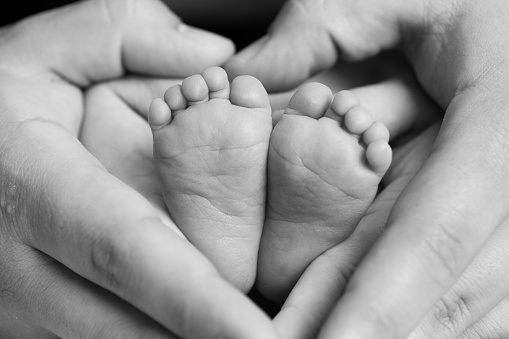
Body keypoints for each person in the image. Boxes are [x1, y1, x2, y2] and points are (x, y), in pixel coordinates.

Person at [225, 0, 509, 337]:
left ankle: (226, 232)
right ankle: (272, 226)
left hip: (349, 62)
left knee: (325, 105)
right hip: (410, 69)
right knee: (362, 113)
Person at [0, 0, 279, 338]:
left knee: (111, 122)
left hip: (105, 75)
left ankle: (202, 232)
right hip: (81, 76)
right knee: (304, 111)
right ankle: (286, 229)